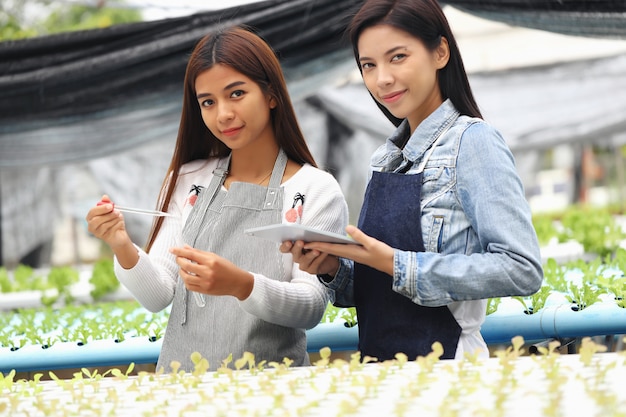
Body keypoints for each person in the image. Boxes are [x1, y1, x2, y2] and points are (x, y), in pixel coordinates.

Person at [281, 0, 543, 361]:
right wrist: (332, 266)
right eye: (368, 65)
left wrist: (397, 263)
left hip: (449, 369)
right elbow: (381, 288)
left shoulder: (472, 142)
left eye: (398, 57)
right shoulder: (386, 159)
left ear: (440, 52)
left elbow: (522, 268)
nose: (381, 78)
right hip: (380, 369)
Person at [86, 26, 349, 372]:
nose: (222, 113)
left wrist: (241, 285)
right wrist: (121, 244)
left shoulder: (316, 189)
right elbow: (158, 295)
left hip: (275, 392)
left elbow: (312, 306)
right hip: (183, 389)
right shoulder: (187, 180)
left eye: (236, 93)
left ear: (271, 94)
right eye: (208, 102)